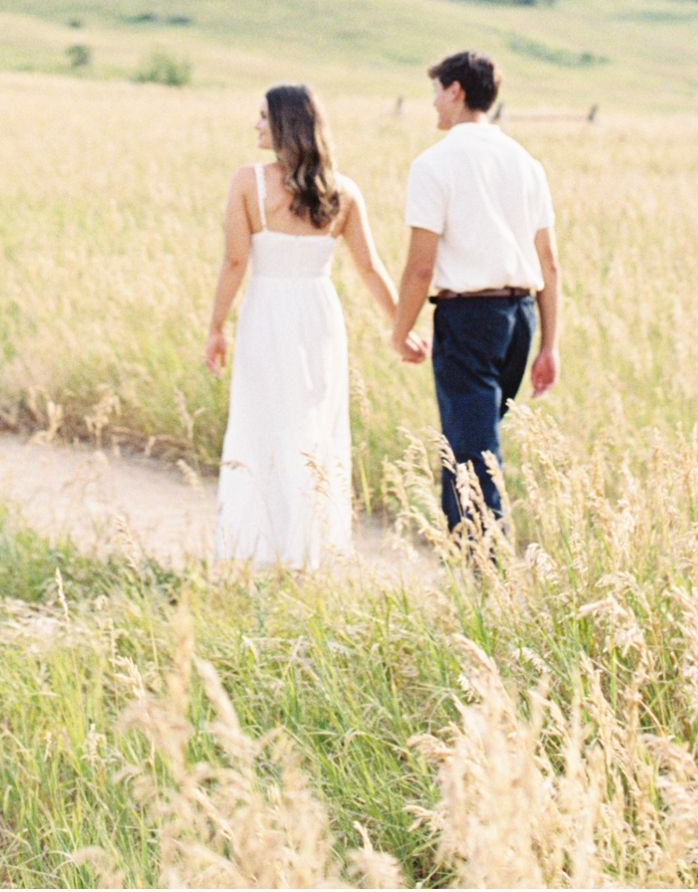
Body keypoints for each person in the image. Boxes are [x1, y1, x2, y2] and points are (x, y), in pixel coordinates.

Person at [204, 83, 426, 568]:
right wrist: (399, 328)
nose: (256, 125)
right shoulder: (343, 192)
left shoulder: (248, 181)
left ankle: (255, 549)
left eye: (263, 117)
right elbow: (371, 268)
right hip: (318, 316)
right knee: (311, 425)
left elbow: (235, 261)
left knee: (261, 420)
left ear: (285, 125)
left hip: (267, 312)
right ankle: (309, 549)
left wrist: (216, 326)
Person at [389, 49, 559, 535]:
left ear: (456, 90)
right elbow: (549, 262)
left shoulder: (433, 164)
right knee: (476, 443)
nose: (434, 104)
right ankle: (476, 562)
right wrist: (549, 345)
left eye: (437, 92)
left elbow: (419, 268)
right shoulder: (527, 163)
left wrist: (400, 331)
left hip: (468, 320)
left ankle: (486, 573)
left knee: (470, 453)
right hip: (521, 319)